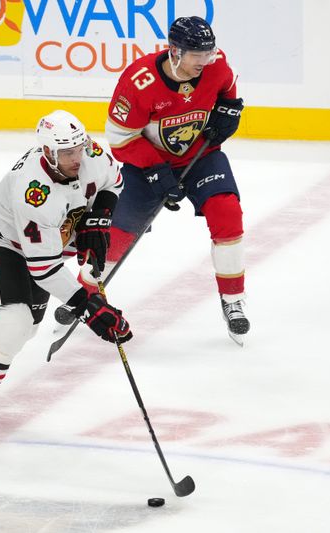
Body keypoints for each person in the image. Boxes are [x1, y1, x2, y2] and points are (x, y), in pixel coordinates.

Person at [0, 110, 133, 456]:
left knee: (27, 330)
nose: (76, 158)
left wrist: (99, 216)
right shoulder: (34, 190)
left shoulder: (88, 152)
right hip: (0, 246)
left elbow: (114, 181)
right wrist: (91, 308)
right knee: (13, 324)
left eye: (78, 149)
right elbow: (44, 268)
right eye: (66, 153)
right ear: (47, 152)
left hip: (44, 250)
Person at [97, 15, 250, 345]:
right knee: (119, 232)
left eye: (208, 53)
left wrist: (229, 110)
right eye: (198, 55)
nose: (205, 60)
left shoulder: (215, 64)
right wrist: (154, 169)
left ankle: (233, 300)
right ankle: (88, 296)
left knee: (228, 213)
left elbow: (228, 87)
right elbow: (120, 137)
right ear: (175, 52)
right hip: (147, 164)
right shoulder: (139, 82)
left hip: (201, 157)